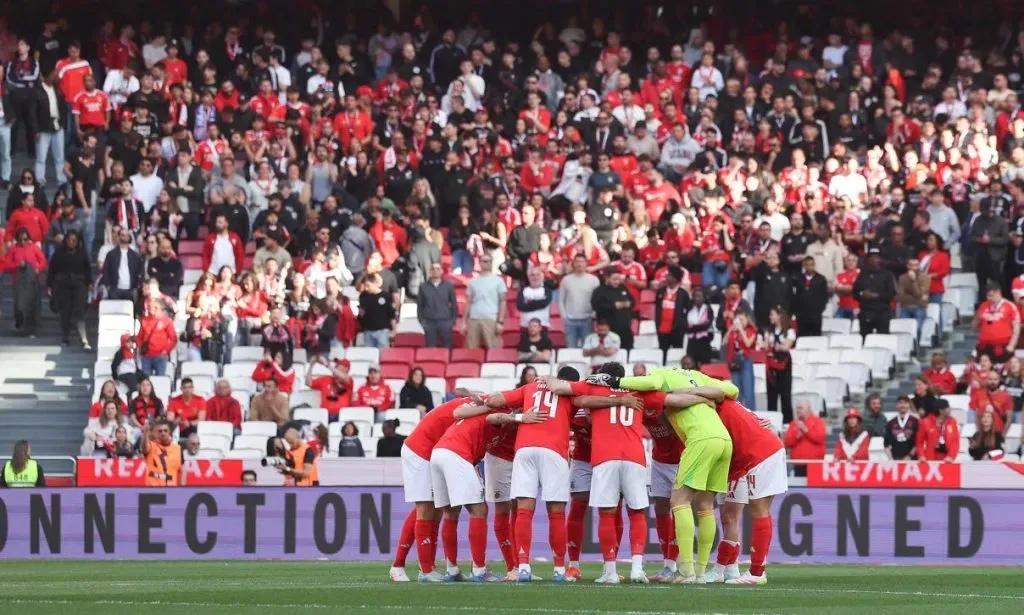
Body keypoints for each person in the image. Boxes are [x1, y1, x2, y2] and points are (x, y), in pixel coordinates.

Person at [582, 366, 737, 584]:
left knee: (679, 502)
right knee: (704, 505)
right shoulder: (697, 377)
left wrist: (614, 381)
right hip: (721, 440)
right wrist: (699, 393)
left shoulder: (658, 381)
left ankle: (686, 571)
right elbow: (730, 390)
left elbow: (651, 384)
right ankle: (698, 572)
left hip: (696, 444)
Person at [542, 363, 664, 584]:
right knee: (635, 512)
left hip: (604, 457)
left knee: (608, 512)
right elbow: (670, 399)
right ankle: (635, 568)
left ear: (602, 376)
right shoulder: (639, 391)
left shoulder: (593, 388)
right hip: (629, 456)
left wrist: (543, 378)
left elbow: (566, 392)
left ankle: (610, 570)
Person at [478, 365, 582, 583]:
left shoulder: (529, 388)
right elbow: (587, 404)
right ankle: (558, 570)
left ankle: (523, 567)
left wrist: (517, 414)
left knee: (524, 511)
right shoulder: (571, 391)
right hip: (554, 450)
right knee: (556, 512)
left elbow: (495, 401)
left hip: (525, 450)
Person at [45, 231, 91, 348]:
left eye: (74, 240)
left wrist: (90, 283)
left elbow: (87, 269)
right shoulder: (59, 253)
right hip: (63, 284)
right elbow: (52, 270)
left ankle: (83, 338)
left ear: (78, 242)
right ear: (65, 240)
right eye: (69, 240)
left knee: (80, 310)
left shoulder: (82, 253)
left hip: (79, 283)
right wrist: (49, 285)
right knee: (65, 312)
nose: (71, 242)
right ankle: (65, 337)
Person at [3, 228, 46, 337]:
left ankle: (32, 329)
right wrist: (17, 265)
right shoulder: (13, 249)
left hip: (32, 280)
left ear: (29, 239)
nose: (23, 242)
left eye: (25, 239)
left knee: (33, 304)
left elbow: (43, 261)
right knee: (19, 306)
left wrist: (38, 268)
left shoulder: (34, 248)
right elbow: (6, 264)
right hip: (19, 281)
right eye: (20, 239)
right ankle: (20, 322)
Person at [461, 253, 507, 349]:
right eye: (485, 261)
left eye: (490, 261)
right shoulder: (473, 282)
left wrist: (500, 321)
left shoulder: (498, 281)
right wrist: (464, 322)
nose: (488, 263)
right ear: (480, 263)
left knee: (494, 349)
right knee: (471, 350)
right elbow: (468, 302)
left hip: (491, 318)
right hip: (474, 319)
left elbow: (503, 301)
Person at [760, 308, 795, 423]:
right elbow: (764, 345)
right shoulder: (769, 331)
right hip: (771, 364)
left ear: (779, 316)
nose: (770, 317)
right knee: (771, 394)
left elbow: (786, 347)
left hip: (784, 365)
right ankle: (772, 421)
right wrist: (775, 346)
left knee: (785, 394)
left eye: (772, 315)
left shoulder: (789, 331)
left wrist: (774, 346)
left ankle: (788, 421)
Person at [853, 246, 897, 337]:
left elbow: (891, 294)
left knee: (883, 339)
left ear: (880, 259)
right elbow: (855, 293)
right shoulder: (862, 274)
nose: (874, 259)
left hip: (882, 312)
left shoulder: (887, 274)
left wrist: (877, 295)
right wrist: (862, 294)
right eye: (871, 257)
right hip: (866, 312)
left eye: (876, 257)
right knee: (864, 339)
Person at [558, 254, 600, 348]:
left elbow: (598, 299)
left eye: (582, 261)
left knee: (587, 349)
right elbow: (561, 300)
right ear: (573, 263)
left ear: (586, 263)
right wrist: (564, 316)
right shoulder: (566, 280)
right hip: (570, 320)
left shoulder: (594, 280)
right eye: (577, 261)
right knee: (571, 348)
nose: (579, 264)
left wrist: (593, 314)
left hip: (587, 320)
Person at [973, 282, 1019, 364]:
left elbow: (1016, 327)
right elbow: (974, 326)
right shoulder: (983, 305)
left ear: (998, 292)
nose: (989, 298)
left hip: (1003, 346)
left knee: (1002, 372)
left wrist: (1011, 345)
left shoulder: (1010, 306)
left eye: (991, 295)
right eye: (987, 296)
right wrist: (977, 317)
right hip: (985, 347)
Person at [591, 267, 636, 350]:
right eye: (614, 279)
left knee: (627, 350)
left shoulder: (622, 288)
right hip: (608, 330)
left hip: (625, 328)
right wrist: (613, 305)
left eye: (618, 279)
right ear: (607, 278)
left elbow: (633, 301)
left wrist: (629, 304)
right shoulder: (599, 291)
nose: (617, 281)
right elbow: (596, 306)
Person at [417, 262, 458, 349]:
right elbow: (420, 305)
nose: (435, 271)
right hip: (429, 322)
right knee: (430, 348)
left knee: (447, 347)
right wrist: (422, 321)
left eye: (438, 269)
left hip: (445, 322)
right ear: (430, 271)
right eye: (433, 269)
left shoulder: (448, 286)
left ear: (442, 271)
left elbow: (454, 304)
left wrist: (452, 321)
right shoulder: (423, 286)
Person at [783, 400, 826, 477]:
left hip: (815, 465)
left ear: (808, 409)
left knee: (815, 488)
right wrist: (797, 436)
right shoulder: (793, 423)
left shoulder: (818, 421)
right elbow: (787, 442)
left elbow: (820, 438)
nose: (798, 410)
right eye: (797, 408)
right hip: (798, 464)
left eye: (800, 408)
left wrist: (806, 431)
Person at [654, 266, 690, 355]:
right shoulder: (660, 292)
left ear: (675, 278)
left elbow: (687, 310)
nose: (666, 277)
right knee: (662, 353)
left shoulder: (683, 294)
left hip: (677, 329)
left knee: (676, 354)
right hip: (662, 328)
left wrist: (682, 324)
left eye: (669, 275)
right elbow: (657, 308)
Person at [726, 311, 758, 411]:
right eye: (738, 319)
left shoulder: (751, 330)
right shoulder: (733, 332)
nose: (740, 322)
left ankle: (752, 416)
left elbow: (748, 343)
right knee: (737, 392)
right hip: (734, 361)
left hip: (745, 360)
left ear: (747, 320)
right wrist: (731, 329)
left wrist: (740, 329)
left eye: (742, 319)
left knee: (748, 392)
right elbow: (724, 341)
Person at [101, 227, 144, 301]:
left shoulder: (135, 255)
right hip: (114, 290)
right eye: (122, 235)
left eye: (127, 235)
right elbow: (105, 271)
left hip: (130, 290)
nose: (125, 237)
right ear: (118, 237)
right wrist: (108, 286)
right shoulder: (111, 254)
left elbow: (139, 271)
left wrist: (136, 286)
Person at [358, 273, 398, 349]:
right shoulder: (363, 296)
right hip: (368, 330)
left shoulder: (386, 296)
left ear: (375, 283)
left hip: (382, 330)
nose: (366, 288)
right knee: (369, 356)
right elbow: (361, 313)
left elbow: (391, 314)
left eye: (368, 285)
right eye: (365, 286)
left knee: (383, 354)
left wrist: (394, 329)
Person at [792, 256, 829, 336]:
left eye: (811, 265)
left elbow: (825, 295)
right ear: (804, 266)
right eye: (807, 265)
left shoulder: (821, 279)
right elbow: (795, 295)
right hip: (802, 314)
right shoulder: (798, 278)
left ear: (814, 265)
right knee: (802, 336)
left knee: (816, 336)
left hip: (815, 314)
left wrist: (820, 308)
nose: (809, 267)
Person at [141, 419, 184, 486]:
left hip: (171, 490)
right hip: (153, 490)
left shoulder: (178, 449)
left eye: (165, 431)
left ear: (169, 432)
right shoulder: (151, 446)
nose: (163, 433)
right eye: (160, 431)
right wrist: (145, 433)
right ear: (156, 433)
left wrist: (183, 489)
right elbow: (144, 448)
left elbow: (183, 471)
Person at [896, 257, 931, 335]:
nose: (913, 267)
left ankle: (916, 346)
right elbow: (901, 296)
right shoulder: (902, 277)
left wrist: (913, 281)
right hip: (905, 306)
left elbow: (919, 294)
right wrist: (916, 298)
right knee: (904, 331)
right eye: (911, 265)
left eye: (916, 265)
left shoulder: (925, 277)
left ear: (919, 266)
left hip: (919, 307)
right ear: (907, 266)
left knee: (917, 330)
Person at [884, 395, 920, 461]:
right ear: (896, 405)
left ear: (909, 405)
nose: (902, 405)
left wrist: (909, 456)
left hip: (912, 459)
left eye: (905, 403)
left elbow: (919, 442)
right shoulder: (890, 422)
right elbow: (886, 444)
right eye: (900, 403)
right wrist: (891, 459)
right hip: (895, 459)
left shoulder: (915, 421)